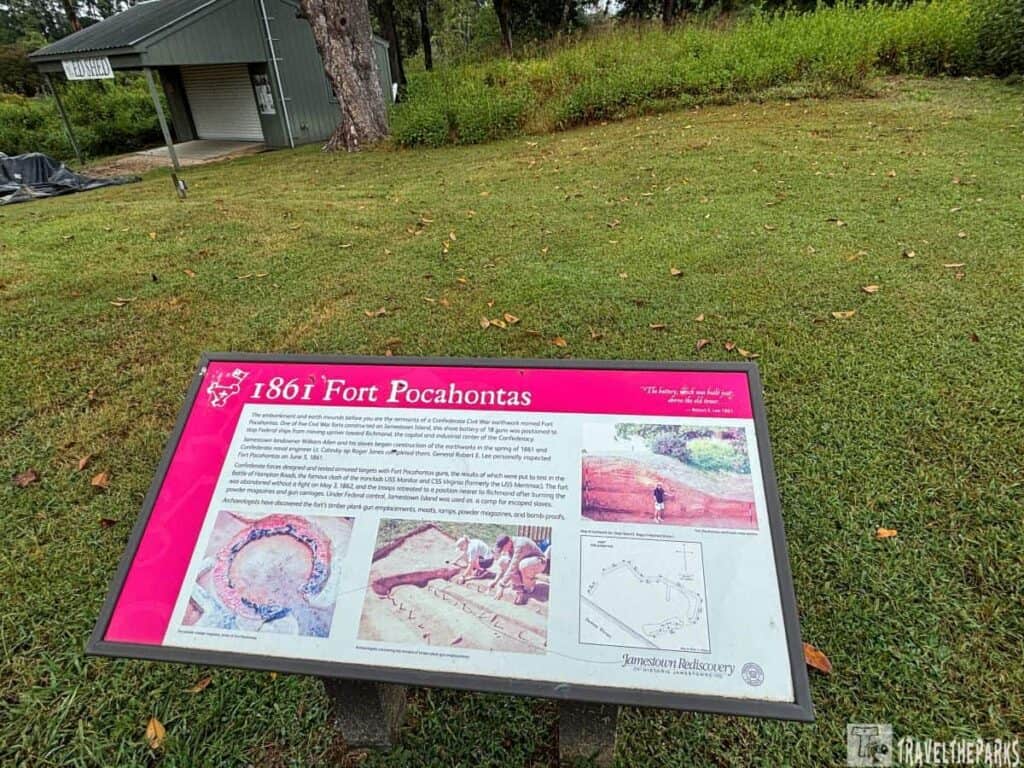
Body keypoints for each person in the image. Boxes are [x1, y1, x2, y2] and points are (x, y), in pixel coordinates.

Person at [489, 534, 548, 605]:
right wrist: (495, 581)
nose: (503, 550)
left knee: (523, 565)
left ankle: (530, 585)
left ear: (509, 542)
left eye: (503, 548)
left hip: (539, 562)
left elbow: (513, 566)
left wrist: (502, 585)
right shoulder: (509, 547)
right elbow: (507, 567)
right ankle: (520, 588)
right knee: (503, 561)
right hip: (524, 561)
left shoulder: (520, 545)